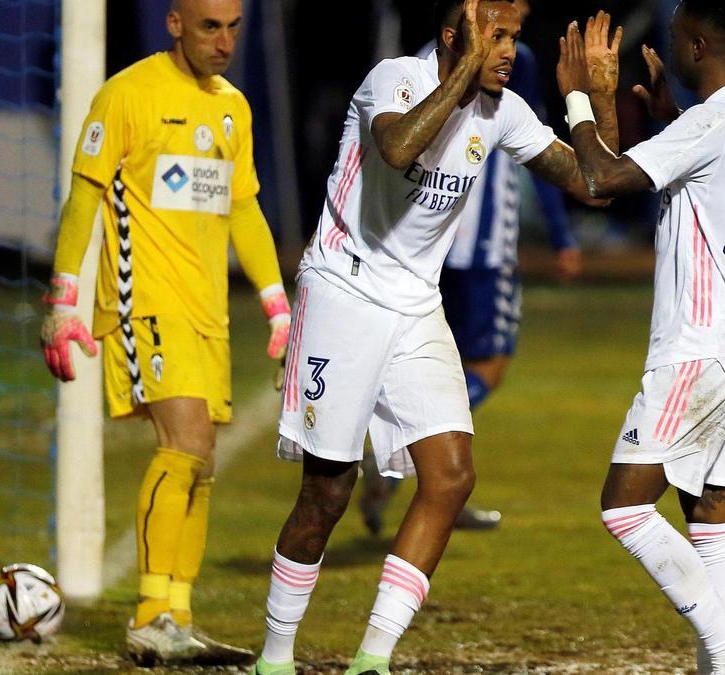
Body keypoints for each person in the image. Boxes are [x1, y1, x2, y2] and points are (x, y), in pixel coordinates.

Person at [254, 1, 605, 673]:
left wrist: (593, 103)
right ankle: (274, 658)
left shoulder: (502, 111)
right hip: (343, 290)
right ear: (453, 37)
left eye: (513, 38)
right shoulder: (395, 78)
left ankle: (372, 660)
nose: (509, 50)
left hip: (416, 305)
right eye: (494, 36)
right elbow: (398, 145)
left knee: (450, 476)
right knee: (326, 492)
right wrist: (466, 73)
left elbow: (593, 181)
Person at [39, 0, 287, 666]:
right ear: (174, 23)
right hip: (141, 301)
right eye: (211, 27)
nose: (225, 42)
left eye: (234, 28)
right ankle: (151, 614)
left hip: (208, 313)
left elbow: (244, 208)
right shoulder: (127, 95)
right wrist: (63, 300)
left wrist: (278, 305)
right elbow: (84, 197)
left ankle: (175, 612)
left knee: (200, 463)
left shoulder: (233, 106)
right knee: (186, 442)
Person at [556, 3, 725, 673]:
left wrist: (576, 99)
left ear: (699, 43)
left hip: (698, 347)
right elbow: (709, 164)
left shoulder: (714, 121)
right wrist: (669, 117)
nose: (669, 45)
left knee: (623, 507)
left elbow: (601, 177)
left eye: (677, 37)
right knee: (713, 513)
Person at [357, 0, 583, 535]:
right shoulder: (514, 61)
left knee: (440, 369)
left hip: (423, 250)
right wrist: (562, 234)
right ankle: (411, 460)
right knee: (487, 366)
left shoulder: (420, 62)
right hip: (479, 246)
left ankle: (429, 476)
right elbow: (549, 151)